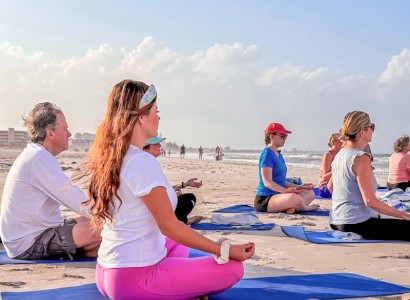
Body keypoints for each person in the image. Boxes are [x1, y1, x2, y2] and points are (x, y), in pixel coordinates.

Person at [76, 80, 255, 299]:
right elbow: (169, 226)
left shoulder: (113, 159)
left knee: (174, 245)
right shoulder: (141, 161)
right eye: (155, 111)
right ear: (141, 116)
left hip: (107, 272)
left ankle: (178, 287)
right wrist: (223, 249)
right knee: (234, 268)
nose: (158, 117)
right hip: (133, 279)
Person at [0, 102, 100, 260]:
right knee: (108, 228)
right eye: (65, 128)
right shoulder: (38, 159)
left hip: (36, 232)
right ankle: (90, 248)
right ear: (50, 133)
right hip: (29, 242)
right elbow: (73, 197)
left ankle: (89, 248)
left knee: (91, 220)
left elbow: (77, 201)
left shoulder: (37, 155)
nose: (69, 134)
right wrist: (113, 219)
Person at [328, 111, 410, 240]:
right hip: (357, 223)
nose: (372, 131)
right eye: (372, 127)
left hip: (336, 220)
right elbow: (370, 201)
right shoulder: (360, 157)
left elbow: (330, 187)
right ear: (362, 131)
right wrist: (403, 215)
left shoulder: (340, 155)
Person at [254, 122, 318, 214]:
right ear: (272, 136)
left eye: (285, 136)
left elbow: (281, 181)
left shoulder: (279, 155)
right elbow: (267, 182)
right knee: (295, 198)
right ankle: (304, 208)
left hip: (280, 196)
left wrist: (300, 187)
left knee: (310, 193)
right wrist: (285, 191)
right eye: (282, 136)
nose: (284, 139)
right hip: (266, 199)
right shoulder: (267, 154)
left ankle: (290, 208)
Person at [143, 136, 204, 224]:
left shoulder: (152, 163)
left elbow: (161, 188)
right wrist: (171, 195)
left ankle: (182, 220)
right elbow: (152, 193)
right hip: (158, 212)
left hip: (163, 206)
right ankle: (183, 221)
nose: (159, 145)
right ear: (145, 150)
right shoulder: (147, 166)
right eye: (156, 144)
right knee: (189, 199)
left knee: (188, 197)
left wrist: (186, 184)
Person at [318, 132, 342, 198]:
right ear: (334, 142)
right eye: (341, 141)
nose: (343, 143)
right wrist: (339, 170)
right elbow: (324, 177)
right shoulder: (328, 155)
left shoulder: (341, 155)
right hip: (325, 188)